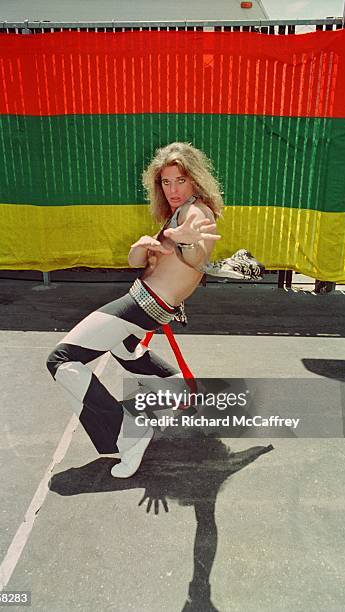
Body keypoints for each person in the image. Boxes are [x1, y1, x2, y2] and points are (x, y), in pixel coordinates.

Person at [46, 142, 224, 478]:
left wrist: (182, 239)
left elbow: (198, 258)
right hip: (146, 301)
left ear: (195, 179)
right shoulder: (178, 213)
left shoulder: (197, 213)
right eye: (166, 182)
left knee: (61, 361)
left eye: (180, 180)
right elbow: (139, 262)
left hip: (144, 305)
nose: (172, 189)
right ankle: (178, 389)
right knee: (124, 346)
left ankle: (130, 437)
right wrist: (139, 249)